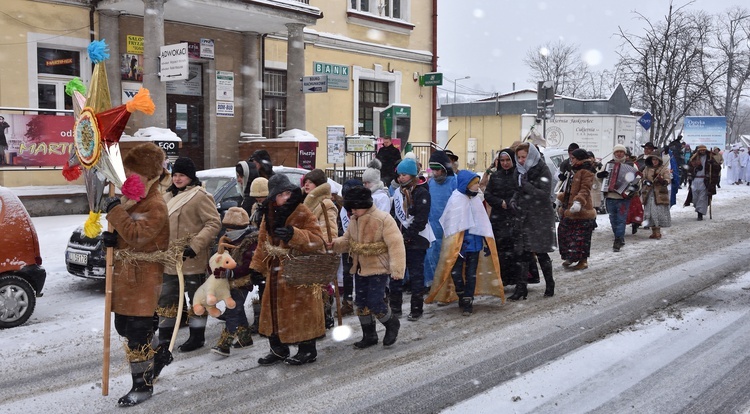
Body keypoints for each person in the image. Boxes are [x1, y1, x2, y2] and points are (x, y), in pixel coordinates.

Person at [101, 142, 170, 406]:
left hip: (143, 277)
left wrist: (116, 212)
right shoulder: (133, 200)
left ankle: (142, 385)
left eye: (133, 174)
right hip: (125, 277)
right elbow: (125, 234)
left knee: (137, 334)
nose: (127, 179)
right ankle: (160, 352)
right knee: (123, 327)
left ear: (148, 176)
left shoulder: (155, 205)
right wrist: (111, 240)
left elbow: (138, 236)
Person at [250, 174, 326, 366]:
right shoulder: (269, 213)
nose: (286, 197)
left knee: (302, 309)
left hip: (298, 269)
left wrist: (295, 234)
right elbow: (262, 243)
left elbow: (318, 240)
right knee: (274, 310)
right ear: (273, 197)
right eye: (281, 194)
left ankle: (308, 350)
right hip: (276, 270)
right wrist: (256, 267)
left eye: (288, 193)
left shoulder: (301, 211)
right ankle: (278, 349)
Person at [157, 157, 222, 353]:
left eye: (182, 175)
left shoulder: (200, 196)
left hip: (192, 259)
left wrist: (194, 246)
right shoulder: (166, 197)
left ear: (190, 177)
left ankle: (196, 337)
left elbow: (213, 223)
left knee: (196, 300)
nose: (177, 179)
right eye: (175, 175)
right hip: (169, 259)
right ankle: (165, 338)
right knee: (167, 299)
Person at [327, 186, 405, 348]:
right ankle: (369, 335)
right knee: (361, 302)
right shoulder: (354, 221)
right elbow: (347, 240)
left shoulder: (382, 219)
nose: (352, 212)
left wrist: (397, 269)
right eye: (350, 209)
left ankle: (391, 323)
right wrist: (334, 244)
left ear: (365, 204)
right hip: (360, 268)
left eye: (355, 208)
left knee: (375, 301)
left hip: (379, 268)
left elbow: (396, 244)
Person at [426, 170, 504, 315]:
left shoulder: (476, 200)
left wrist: (485, 239)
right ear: (466, 184)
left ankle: (468, 300)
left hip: (474, 244)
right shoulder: (456, 199)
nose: (477, 186)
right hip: (458, 246)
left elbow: (482, 222)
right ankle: (461, 293)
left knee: (471, 273)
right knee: (456, 272)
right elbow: (450, 223)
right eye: (475, 184)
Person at [509, 143, 556, 300]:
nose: (521, 161)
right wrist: (514, 200)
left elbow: (544, 194)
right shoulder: (519, 171)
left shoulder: (542, 169)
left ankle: (550, 284)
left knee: (541, 252)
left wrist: (526, 186)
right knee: (522, 253)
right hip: (523, 215)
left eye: (524, 157)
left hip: (540, 216)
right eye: (519, 157)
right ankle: (521, 288)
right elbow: (517, 189)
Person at [211, 207, 258, 356]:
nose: (228, 232)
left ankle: (225, 343)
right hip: (229, 280)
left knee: (232, 308)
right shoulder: (226, 239)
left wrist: (231, 271)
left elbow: (248, 265)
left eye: (232, 229)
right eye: (227, 229)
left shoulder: (250, 242)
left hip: (243, 281)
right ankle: (245, 338)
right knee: (237, 308)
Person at [390, 157, 432, 321]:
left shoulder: (422, 193)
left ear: (413, 175)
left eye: (405, 175)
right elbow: (394, 215)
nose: (401, 178)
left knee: (416, 276)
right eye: (399, 175)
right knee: (396, 274)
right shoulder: (398, 192)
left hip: (416, 240)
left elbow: (421, 220)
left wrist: (407, 237)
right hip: (399, 239)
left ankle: (416, 309)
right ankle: (395, 308)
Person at [302, 168, 339, 329]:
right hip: (308, 249)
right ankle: (316, 316)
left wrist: (324, 245)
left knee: (322, 285)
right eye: (306, 182)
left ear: (317, 185)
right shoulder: (307, 202)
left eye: (309, 182)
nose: (306, 185)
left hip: (320, 250)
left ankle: (325, 314)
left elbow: (329, 229)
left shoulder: (325, 204)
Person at [556, 148, 597, 270]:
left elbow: (585, 189)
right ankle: (570, 255)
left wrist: (578, 202)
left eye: (573, 158)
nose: (571, 160)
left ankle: (583, 261)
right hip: (568, 208)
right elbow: (568, 189)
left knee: (581, 238)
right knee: (564, 233)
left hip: (582, 210)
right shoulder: (572, 171)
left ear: (579, 159)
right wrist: (560, 198)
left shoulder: (587, 172)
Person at [483, 149, 519, 286]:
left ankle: (516, 279)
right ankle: (502, 278)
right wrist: (499, 202)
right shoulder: (496, 176)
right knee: (500, 250)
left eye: (507, 160)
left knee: (514, 250)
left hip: (514, 217)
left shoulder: (518, 175)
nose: (505, 163)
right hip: (499, 218)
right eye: (502, 160)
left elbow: (520, 193)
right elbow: (488, 194)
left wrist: (511, 203)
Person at [423, 150, 457, 291]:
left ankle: (449, 288)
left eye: (438, 169)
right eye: (433, 170)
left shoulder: (455, 181)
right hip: (433, 227)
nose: (435, 173)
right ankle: (433, 285)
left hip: (449, 227)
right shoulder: (431, 183)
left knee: (448, 258)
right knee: (432, 257)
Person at [598, 144, 639, 252]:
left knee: (621, 219)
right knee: (613, 219)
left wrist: (633, 187)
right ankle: (619, 237)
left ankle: (618, 240)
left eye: (621, 152)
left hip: (623, 197)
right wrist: (600, 176)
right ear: (614, 153)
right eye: (617, 152)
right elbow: (599, 178)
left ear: (625, 153)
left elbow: (638, 178)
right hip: (610, 195)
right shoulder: (608, 164)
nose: (619, 154)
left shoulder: (631, 165)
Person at [337, 179, 363, 316]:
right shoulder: (343, 210)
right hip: (348, 246)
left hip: (361, 246)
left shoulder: (363, 210)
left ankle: (360, 299)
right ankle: (347, 302)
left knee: (360, 272)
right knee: (347, 274)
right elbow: (340, 226)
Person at [247, 176, 268, 333]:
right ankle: (261, 320)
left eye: (262, 197)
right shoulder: (256, 208)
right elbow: (253, 226)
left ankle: (267, 320)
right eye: (257, 197)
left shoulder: (271, 209)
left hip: (270, 252)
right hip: (259, 250)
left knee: (268, 287)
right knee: (260, 287)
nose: (259, 200)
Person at [684, 145, 721, 221]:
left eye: (703, 150)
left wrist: (712, 164)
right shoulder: (694, 158)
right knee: (695, 198)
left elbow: (718, 168)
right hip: (695, 181)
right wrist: (694, 170)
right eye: (700, 150)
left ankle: (700, 214)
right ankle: (698, 208)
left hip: (704, 181)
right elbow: (688, 168)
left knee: (702, 198)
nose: (702, 152)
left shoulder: (710, 158)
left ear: (705, 150)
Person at [641, 154, 672, 239]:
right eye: (653, 159)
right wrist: (646, 182)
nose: (654, 161)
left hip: (659, 195)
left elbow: (668, 180)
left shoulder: (664, 169)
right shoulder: (647, 169)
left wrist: (662, 180)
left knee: (657, 213)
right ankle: (653, 231)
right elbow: (642, 178)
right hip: (649, 193)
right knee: (650, 213)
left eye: (656, 160)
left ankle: (657, 232)